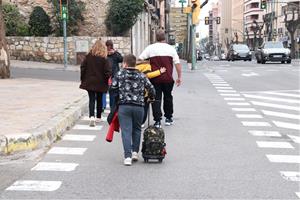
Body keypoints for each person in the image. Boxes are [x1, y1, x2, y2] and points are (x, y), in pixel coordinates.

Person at [110, 54, 155, 166]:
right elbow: (151, 89)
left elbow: (112, 88)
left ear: (125, 63)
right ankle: (135, 152)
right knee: (137, 129)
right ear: (135, 63)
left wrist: (117, 97)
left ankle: (127, 157)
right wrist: (151, 98)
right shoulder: (141, 75)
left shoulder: (119, 74)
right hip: (139, 106)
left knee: (126, 131)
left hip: (124, 106)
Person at [139, 29, 182, 128]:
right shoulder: (171, 49)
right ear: (165, 37)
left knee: (156, 99)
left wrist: (148, 66)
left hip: (155, 79)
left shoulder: (150, 48)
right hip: (168, 79)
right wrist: (179, 77)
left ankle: (157, 120)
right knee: (168, 97)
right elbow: (177, 63)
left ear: (156, 37)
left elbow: (140, 59)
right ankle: (168, 118)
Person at [80, 40, 112, 127]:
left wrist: (83, 78)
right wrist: (107, 80)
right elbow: (108, 72)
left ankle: (91, 116)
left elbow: (82, 67)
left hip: (89, 81)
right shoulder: (104, 59)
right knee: (99, 99)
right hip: (101, 82)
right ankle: (98, 116)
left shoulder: (88, 57)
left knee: (91, 99)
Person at [136, 61, 166, 126]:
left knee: (140, 107)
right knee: (145, 107)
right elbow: (148, 75)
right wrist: (159, 71)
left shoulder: (135, 66)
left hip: (136, 92)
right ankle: (144, 122)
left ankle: (140, 122)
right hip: (145, 91)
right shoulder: (147, 65)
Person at [106, 40, 123, 109]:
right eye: (108, 46)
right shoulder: (104, 53)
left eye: (110, 46)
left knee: (112, 92)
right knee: (105, 91)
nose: (109, 48)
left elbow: (121, 59)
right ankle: (104, 106)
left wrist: (115, 52)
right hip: (107, 75)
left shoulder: (115, 54)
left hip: (114, 75)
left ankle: (112, 107)